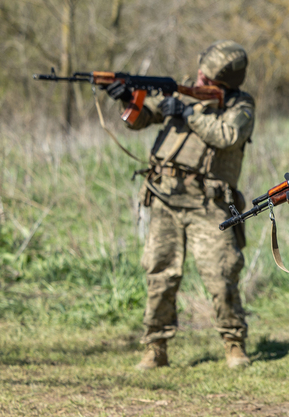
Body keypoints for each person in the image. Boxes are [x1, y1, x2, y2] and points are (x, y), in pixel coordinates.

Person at [106, 41, 255, 371]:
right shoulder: (182, 90)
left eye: (208, 80)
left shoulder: (240, 104)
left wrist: (188, 114)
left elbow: (228, 135)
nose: (199, 81)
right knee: (160, 274)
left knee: (221, 275)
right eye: (200, 74)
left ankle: (234, 344)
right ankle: (155, 347)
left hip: (209, 203)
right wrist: (126, 97)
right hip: (164, 196)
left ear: (225, 84)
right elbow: (139, 119)